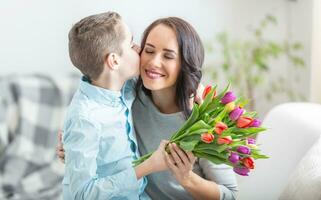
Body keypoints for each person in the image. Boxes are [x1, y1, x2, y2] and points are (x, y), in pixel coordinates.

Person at [58, 16, 238, 200]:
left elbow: (230, 195)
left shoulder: (203, 119)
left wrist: (187, 179)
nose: (152, 62)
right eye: (149, 50)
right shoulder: (128, 94)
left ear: (184, 64)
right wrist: (74, 149)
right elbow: (96, 100)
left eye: (168, 56)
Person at [62, 11, 168, 200]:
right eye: (130, 44)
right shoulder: (85, 118)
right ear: (114, 60)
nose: (138, 48)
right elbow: (81, 194)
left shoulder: (122, 87)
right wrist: (148, 166)